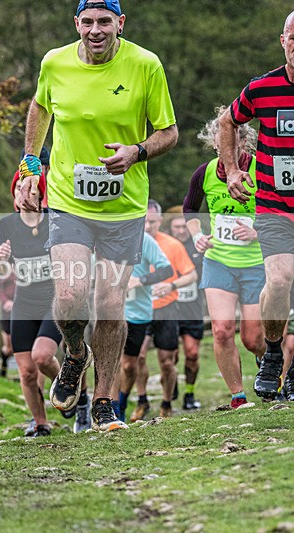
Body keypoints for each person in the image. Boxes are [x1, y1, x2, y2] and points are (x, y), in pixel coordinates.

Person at [18, 0, 177, 431]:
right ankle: (74, 353)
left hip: (124, 207)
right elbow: (40, 108)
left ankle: (105, 401)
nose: (95, 30)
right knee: (70, 295)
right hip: (69, 200)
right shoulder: (55, 62)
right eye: (87, 22)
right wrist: (30, 168)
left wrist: (137, 152)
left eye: (104, 21)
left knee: (109, 302)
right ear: (77, 24)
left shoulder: (146, 65)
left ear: (120, 23)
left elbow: (170, 131)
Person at [219, 12, 294, 402]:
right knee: (280, 280)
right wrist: (231, 170)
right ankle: (274, 351)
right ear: (282, 41)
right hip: (274, 203)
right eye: (293, 37)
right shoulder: (263, 88)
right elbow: (228, 122)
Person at [185, 108, 265, 408]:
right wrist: (197, 236)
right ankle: (238, 396)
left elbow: (281, 209)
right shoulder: (203, 173)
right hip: (218, 261)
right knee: (220, 330)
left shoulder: (261, 170)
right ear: (216, 143)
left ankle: (267, 364)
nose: (228, 147)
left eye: (234, 141)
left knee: (253, 339)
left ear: (243, 142)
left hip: (256, 263)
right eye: (221, 142)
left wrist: (258, 230)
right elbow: (190, 210)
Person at [0, 172, 67, 436]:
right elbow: (3, 273)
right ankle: (40, 422)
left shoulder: (54, 222)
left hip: (52, 301)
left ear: (40, 195)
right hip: (23, 303)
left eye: (31, 191)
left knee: (42, 356)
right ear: (14, 195)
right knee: (26, 371)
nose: (24, 195)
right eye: (19, 190)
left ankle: (66, 387)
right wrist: (2, 259)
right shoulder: (6, 224)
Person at [130, 200, 197, 420]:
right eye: (144, 222)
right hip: (140, 309)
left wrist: (171, 285)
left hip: (166, 307)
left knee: (167, 362)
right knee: (138, 356)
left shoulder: (172, 245)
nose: (148, 226)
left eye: (152, 221)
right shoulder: (131, 243)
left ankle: (167, 403)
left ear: (160, 221)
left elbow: (191, 274)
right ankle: (142, 400)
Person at [111, 230, 172, 422]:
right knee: (110, 361)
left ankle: (121, 401)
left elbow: (167, 270)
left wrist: (141, 280)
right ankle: (111, 409)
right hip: (110, 311)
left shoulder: (143, 239)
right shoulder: (99, 234)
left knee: (129, 365)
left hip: (137, 312)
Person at [167, 207, 205, 410]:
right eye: (177, 227)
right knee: (171, 355)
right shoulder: (165, 246)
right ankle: (171, 388)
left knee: (192, 354)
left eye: (184, 227)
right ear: (171, 228)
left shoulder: (197, 247)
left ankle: (189, 394)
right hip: (170, 309)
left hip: (192, 309)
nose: (181, 231)